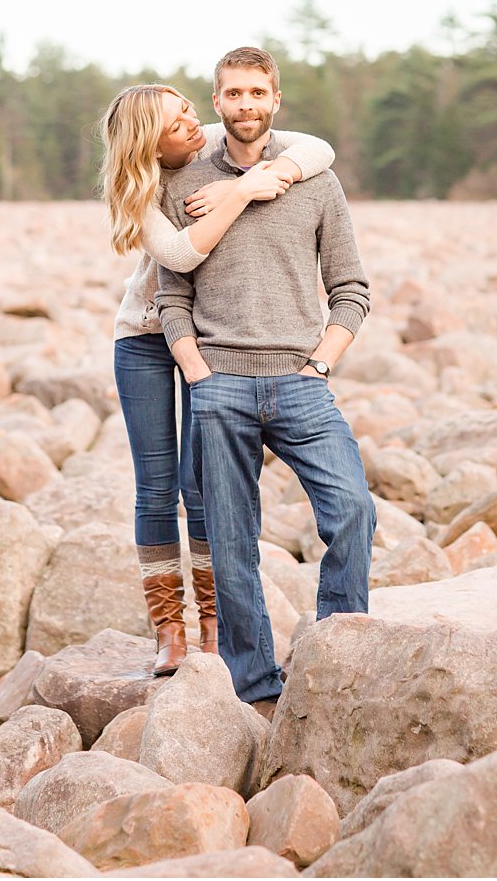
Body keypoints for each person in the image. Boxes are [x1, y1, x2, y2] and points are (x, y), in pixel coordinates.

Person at [156, 46, 376, 717]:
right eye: (233, 94)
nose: (246, 104)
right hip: (219, 384)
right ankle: (254, 687)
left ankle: (338, 655)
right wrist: (197, 371)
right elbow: (172, 295)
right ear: (216, 101)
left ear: (275, 98)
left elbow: (351, 289)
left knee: (353, 511)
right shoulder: (184, 181)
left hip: (301, 382)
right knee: (229, 540)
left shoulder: (314, 177)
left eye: (257, 92)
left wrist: (321, 361)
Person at [98, 82, 334, 677]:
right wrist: (245, 192)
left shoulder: (209, 147)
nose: (195, 124)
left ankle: (213, 625)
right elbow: (179, 256)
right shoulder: (142, 192)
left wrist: (244, 179)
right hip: (146, 342)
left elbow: (319, 150)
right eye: (178, 123)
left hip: (209, 338)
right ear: (150, 142)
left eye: (189, 111)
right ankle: (168, 633)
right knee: (156, 488)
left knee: (201, 484)